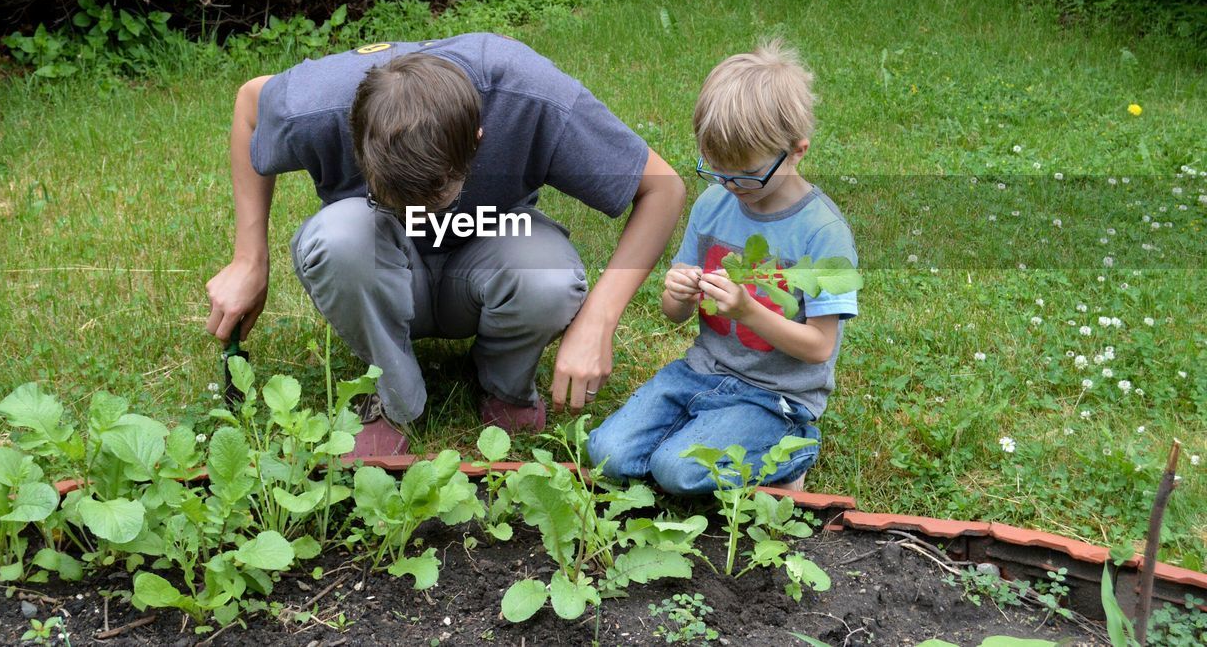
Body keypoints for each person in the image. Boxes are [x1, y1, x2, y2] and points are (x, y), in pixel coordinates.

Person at [205, 32, 685, 457]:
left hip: (491, 241)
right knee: (337, 238)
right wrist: (249, 258)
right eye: (397, 194)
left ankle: (503, 383)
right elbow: (251, 106)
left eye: (435, 195)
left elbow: (663, 189)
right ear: (356, 137)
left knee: (549, 276)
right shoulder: (318, 102)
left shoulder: (530, 96)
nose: (425, 213)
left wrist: (597, 321)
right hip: (383, 256)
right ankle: (393, 399)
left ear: (477, 140)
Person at [587, 39, 858, 495]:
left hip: (776, 396)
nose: (732, 186)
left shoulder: (822, 233)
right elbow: (673, 314)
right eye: (716, 170)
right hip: (701, 373)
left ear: (796, 150)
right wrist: (676, 293)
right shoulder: (714, 204)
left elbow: (817, 348)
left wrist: (749, 312)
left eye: (746, 173)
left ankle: (792, 448)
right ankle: (707, 432)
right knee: (608, 454)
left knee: (677, 472)